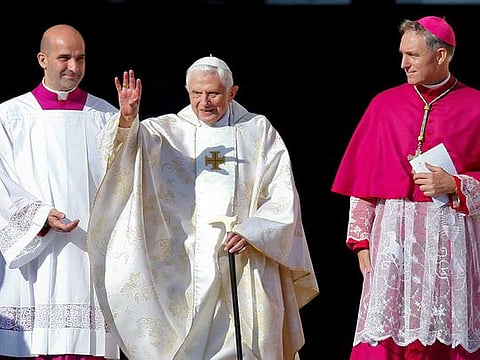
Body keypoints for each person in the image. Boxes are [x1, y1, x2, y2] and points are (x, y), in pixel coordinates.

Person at [87, 55, 319, 360]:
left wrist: (252, 232)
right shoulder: (169, 130)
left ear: (232, 92)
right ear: (186, 90)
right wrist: (129, 120)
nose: (204, 103)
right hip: (186, 263)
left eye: (213, 94)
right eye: (196, 94)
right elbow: (126, 157)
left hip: (246, 258)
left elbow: (283, 195)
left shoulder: (258, 131)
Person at [331, 15, 480, 360]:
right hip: (393, 238)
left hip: (451, 242)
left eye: (412, 55)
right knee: (387, 337)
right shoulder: (384, 104)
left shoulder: (476, 105)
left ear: (440, 55)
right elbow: (364, 179)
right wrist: (360, 241)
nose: (403, 64)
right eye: (402, 54)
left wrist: (456, 184)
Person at [0, 24, 120, 359]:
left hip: (86, 252)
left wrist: (129, 125)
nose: (73, 67)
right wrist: (40, 216)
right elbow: (1, 183)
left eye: (80, 58)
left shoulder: (106, 116)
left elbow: (125, 180)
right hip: (34, 254)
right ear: (42, 59)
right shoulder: (10, 116)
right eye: (64, 57)